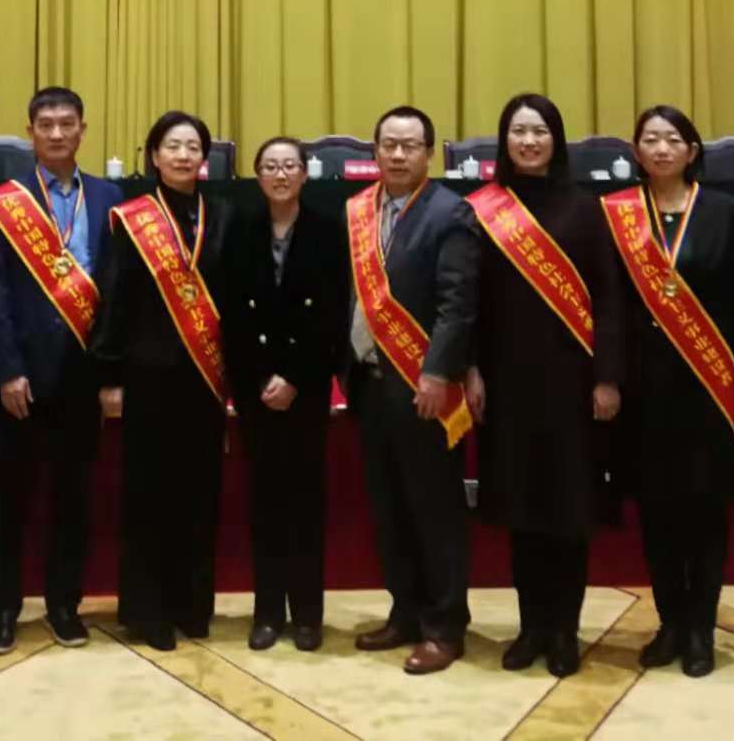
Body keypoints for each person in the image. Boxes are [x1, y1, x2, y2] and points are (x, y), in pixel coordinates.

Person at [465, 95, 626, 678]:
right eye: (518, 131)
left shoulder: (586, 209)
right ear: (504, 141)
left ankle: (564, 630)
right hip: (506, 386)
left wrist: (607, 377)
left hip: (573, 387)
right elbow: (469, 300)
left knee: (568, 514)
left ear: (556, 140)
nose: (528, 141)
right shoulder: (484, 209)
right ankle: (531, 627)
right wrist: (471, 369)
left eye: (539, 131)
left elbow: (609, 300)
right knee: (522, 514)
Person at [607, 105, 734, 678]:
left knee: (706, 511)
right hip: (645, 390)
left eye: (673, 139)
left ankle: (701, 628)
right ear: (636, 151)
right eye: (651, 139)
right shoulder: (618, 212)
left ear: (692, 150)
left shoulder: (725, 211)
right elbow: (609, 304)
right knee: (657, 513)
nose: (662, 148)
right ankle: (671, 622)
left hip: (710, 385)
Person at [0, 87, 123, 654]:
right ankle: (3, 611)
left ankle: (64, 606)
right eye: (46, 124)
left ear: (83, 129)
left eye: (67, 124)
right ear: (30, 132)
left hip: (82, 372)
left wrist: (109, 372)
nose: (57, 133)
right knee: (8, 500)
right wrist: (7, 370)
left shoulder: (108, 196)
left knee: (71, 499)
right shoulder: (3, 201)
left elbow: (116, 290)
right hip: (21, 377)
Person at [88, 111, 233, 651]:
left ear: (204, 157)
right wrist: (109, 376)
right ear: (154, 156)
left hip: (204, 376)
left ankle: (191, 606)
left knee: (199, 494)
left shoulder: (222, 214)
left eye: (192, 146)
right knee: (149, 496)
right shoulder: (132, 219)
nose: (182, 155)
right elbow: (114, 298)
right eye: (172, 146)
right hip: (146, 376)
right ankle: (148, 612)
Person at [346, 106, 481, 676]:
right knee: (390, 508)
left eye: (410, 146)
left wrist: (437, 372)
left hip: (423, 386)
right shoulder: (359, 210)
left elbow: (457, 303)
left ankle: (444, 626)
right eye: (389, 145)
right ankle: (405, 612)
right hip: (369, 384)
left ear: (429, 152)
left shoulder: (450, 213)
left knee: (435, 511)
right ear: (374, 150)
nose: (398, 155)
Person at [224, 137, 347, 653]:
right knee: (265, 503)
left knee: (305, 502)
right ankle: (268, 612)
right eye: (270, 166)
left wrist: (294, 378)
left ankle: (308, 615)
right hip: (257, 390)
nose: (280, 174)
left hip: (306, 389)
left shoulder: (327, 230)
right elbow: (231, 314)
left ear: (303, 174)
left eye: (289, 165)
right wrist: (260, 380)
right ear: (257, 175)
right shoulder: (240, 229)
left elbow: (333, 316)